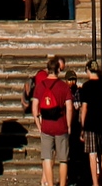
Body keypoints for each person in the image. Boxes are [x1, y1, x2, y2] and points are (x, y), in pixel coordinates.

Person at [30, 56, 72, 186]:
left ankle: (50, 184)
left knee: (47, 158)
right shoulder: (64, 86)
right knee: (63, 159)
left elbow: (34, 108)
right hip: (61, 124)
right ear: (58, 70)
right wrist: (69, 125)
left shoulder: (40, 86)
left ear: (48, 69)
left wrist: (39, 125)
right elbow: (69, 108)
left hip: (46, 125)